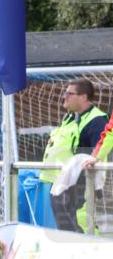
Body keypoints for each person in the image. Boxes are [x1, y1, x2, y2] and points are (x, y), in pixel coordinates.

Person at [43, 80, 108, 232]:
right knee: (65, 227)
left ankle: (93, 253)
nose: (64, 97)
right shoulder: (70, 118)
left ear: (83, 96)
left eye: (69, 93)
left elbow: (99, 154)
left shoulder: (97, 120)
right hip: (62, 182)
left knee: (82, 224)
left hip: (81, 184)